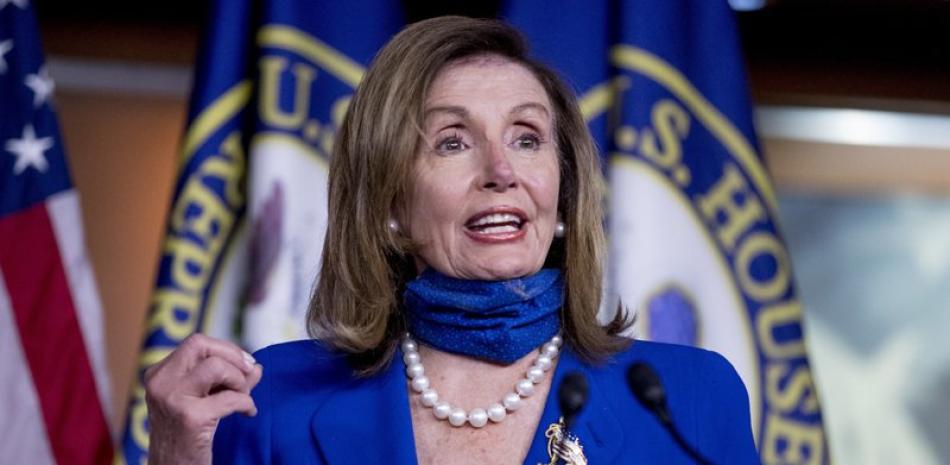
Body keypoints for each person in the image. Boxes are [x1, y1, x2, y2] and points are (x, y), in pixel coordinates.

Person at [144, 16, 761, 465]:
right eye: (452, 142)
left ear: (564, 193)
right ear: (389, 205)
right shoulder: (270, 402)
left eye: (526, 137)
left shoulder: (692, 397)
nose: (501, 170)